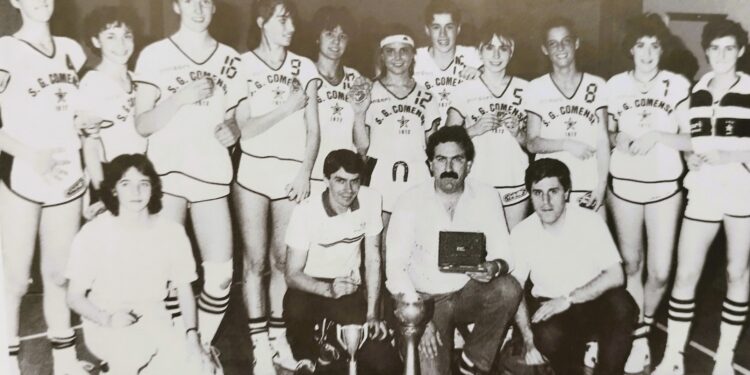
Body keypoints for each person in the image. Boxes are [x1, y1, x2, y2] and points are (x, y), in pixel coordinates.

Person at [134, 0, 244, 353]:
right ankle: (172, 352)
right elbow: (142, 123)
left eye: (206, 1)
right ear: (176, 5)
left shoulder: (231, 58)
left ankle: (198, 349)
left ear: (214, 8)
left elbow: (236, 120)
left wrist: (233, 131)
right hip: (167, 176)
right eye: (190, 0)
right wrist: (179, 99)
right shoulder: (154, 55)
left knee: (222, 276)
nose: (198, 7)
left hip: (210, 173)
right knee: (163, 276)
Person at [654, 19, 750, 375]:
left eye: (729, 48)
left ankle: (723, 358)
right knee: (686, 274)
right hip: (704, 190)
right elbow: (690, 139)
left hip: (742, 191)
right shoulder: (696, 91)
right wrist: (686, 155)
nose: (721, 55)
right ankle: (672, 357)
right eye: (714, 48)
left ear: (740, 50)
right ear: (706, 51)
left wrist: (732, 157)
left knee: (736, 272)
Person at [386, 126, 522, 375]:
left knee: (508, 287)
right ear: (430, 165)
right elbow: (395, 267)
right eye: (441, 159)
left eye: (457, 159)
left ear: (469, 165)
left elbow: (506, 253)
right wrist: (419, 319)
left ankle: (474, 362)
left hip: (466, 293)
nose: (449, 167)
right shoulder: (409, 201)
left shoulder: (487, 196)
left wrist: (494, 267)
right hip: (425, 300)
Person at [0, 0, 89, 373]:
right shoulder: (5, 49)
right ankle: (6, 363)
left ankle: (65, 361)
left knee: (58, 274)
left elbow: (82, 114)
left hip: (68, 177)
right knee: (16, 279)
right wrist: (30, 155)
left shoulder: (73, 50)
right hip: (22, 172)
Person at [66, 154, 214, 375]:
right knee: (131, 352)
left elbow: (184, 288)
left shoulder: (171, 232)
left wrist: (192, 337)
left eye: (143, 184)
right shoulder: (94, 232)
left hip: (157, 319)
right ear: (114, 189)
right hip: (109, 320)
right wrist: (107, 319)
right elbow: (74, 297)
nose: (136, 193)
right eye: (126, 184)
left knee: (199, 368)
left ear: (153, 188)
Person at [234, 0, 321, 371]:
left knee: (282, 261)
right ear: (261, 21)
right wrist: (287, 107)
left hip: (290, 175)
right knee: (254, 262)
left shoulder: (305, 67)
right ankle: (258, 348)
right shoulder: (242, 64)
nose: (290, 27)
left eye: (291, 21)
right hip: (252, 174)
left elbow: (314, 129)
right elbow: (244, 130)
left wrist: (305, 171)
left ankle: (278, 337)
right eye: (281, 19)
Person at [605, 14, 692, 374]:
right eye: (641, 44)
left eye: (654, 45)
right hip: (624, 187)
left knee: (659, 271)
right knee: (632, 266)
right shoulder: (614, 85)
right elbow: (608, 131)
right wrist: (617, 138)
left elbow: (691, 138)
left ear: (662, 48)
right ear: (630, 48)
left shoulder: (678, 84)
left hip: (664, 189)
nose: (647, 52)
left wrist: (658, 136)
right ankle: (639, 339)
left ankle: (646, 322)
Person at [511, 158, 637, 375]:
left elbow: (616, 276)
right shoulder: (522, 232)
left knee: (623, 305)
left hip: (590, 302)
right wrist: (528, 339)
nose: (546, 201)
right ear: (530, 195)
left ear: (567, 193)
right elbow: (516, 290)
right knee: (548, 337)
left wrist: (568, 299)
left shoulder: (589, 221)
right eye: (538, 193)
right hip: (552, 308)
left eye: (553, 191)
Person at [284, 149, 401, 374]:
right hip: (310, 286)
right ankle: (308, 355)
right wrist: (328, 289)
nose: (348, 190)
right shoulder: (306, 210)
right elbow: (292, 274)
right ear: (326, 180)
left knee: (385, 363)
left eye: (354, 181)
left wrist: (372, 314)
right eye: (340, 181)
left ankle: (331, 342)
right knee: (296, 309)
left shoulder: (371, 199)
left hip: (348, 288)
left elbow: (374, 259)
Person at [446, 20, 530, 230]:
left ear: (512, 52)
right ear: (479, 52)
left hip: (515, 182)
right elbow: (446, 140)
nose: (496, 55)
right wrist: (474, 129)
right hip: (477, 181)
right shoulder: (465, 89)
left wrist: (519, 133)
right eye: (489, 48)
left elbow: (533, 142)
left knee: (512, 250)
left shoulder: (527, 88)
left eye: (503, 48)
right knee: (475, 250)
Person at [525, 17, 609, 219]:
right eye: (553, 43)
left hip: (588, 185)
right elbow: (532, 143)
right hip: (551, 189)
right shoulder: (536, 88)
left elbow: (603, 140)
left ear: (576, 43)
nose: (560, 48)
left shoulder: (597, 85)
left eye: (566, 41)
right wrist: (567, 144)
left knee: (592, 249)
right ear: (545, 49)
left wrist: (601, 187)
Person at [365, 29, 440, 238]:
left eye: (404, 51)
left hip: (417, 175)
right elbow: (362, 144)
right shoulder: (370, 91)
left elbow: (432, 144)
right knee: (379, 240)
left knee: (416, 236)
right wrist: (359, 111)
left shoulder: (427, 96)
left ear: (413, 54)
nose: (397, 58)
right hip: (380, 175)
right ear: (382, 55)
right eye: (390, 51)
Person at [78, 6, 146, 219]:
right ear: (96, 41)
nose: (121, 44)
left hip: (139, 175)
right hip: (108, 177)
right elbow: (90, 145)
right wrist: (102, 191)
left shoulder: (139, 80)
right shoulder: (91, 83)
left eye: (127, 36)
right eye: (111, 37)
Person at [309, 6, 371, 194]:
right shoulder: (304, 72)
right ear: (317, 37)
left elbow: (362, 146)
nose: (336, 42)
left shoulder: (355, 79)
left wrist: (360, 113)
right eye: (330, 34)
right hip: (308, 174)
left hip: (344, 178)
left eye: (343, 36)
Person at [414, 0, 481, 123]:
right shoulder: (415, 58)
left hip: (465, 137)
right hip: (423, 137)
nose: (443, 34)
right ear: (427, 30)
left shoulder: (474, 56)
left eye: (449, 27)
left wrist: (483, 76)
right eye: (436, 27)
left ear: (458, 28)